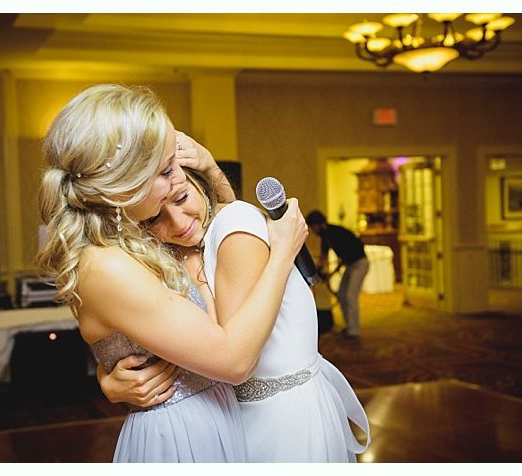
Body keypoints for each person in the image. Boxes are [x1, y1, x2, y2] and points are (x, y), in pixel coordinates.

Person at [36, 83, 309, 462]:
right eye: (166, 170)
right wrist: (283, 251)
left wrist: (212, 170)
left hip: (213, 420)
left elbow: (215, 248)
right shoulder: (108, 265)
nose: (179, 176)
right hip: (182, 438)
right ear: (124, 187)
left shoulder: (133, 239)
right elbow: (233, 361)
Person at [99, 169, 370, 462]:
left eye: (182, 197)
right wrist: (107, 379)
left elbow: (230, 357)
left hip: (278, 422)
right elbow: (133, 332)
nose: (178, 223)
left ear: (197, 182)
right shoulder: (161, 257)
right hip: (218, 423)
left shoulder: (234, 226)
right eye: (155, 218)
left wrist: (282, 253)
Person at [306, 209, 369, 338]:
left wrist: (325, 271)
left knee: (350, 296)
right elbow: (326, 257)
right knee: (341, 295)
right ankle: (349, 326)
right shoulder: (327, 234)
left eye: (312, 227)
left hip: (360, 263)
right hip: (351, 265)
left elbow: (327, 257)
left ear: (316, 225)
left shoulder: (331, 233)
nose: (313, 231)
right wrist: (324, 272)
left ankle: (353, 331)